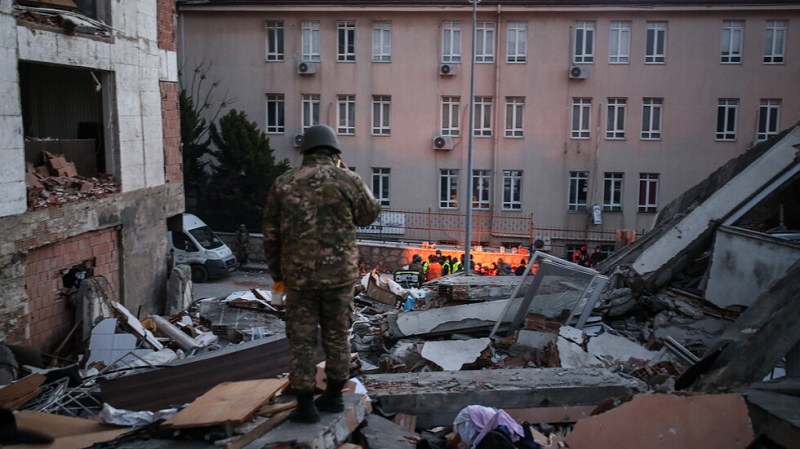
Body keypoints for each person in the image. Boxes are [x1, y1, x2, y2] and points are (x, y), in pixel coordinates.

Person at [262, 124, 380, 424]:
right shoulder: (347, 179)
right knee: (338, 335)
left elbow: (271, 236)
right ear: (335, 152)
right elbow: (369, 213)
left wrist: (279, 276)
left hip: (298, 279)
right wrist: (349, 174)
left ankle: (305, 406)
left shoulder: (284, 183)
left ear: (304, 151)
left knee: (300, 340)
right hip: (339, 278)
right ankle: (334, 396)